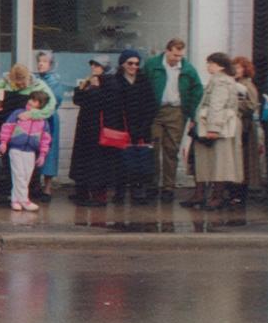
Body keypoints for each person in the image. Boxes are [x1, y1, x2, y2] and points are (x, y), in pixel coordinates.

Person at [145, 37, 202, 201]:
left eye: (180, 55)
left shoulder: (188, 68)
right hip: (155, 110)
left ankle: (168, 187)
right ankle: (152, 185)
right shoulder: (153, 64)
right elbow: (143, 85)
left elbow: (197, 90)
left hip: (176, 111)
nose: (178, 59)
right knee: (153, 148)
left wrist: (190, 113)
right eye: (175, 55)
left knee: (171, 149)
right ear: (167, 50)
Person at [0, 63, 54, 202]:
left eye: (22, 83)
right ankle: (12, 193)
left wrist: (33, 114)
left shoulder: (38, 85)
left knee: (30, 164)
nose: (19, 86)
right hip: (7, 127)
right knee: (8, 162)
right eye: (15, 83)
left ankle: (29, 193)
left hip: (30, 132)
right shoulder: (2, 83)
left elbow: (51, 105)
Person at [102, 48, 158, 204]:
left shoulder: (144, 81)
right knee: (120, 160)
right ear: (122, 64)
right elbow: (110, 106)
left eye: (137, 63)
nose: (134, 66)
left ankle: (138, 190)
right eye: (130, 63)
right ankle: (119, 191)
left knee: (139, 159)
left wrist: (143, 126)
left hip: (141, 127)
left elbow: (151, 105)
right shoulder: (115, 81)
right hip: (122, 128)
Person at [191, 52, 245, 211]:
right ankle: (213, 196)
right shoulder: (222, 80)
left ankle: (217, 197)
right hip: (221, 127)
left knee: (219, 163)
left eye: (211, 63)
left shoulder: (221, 81)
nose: (208, 66)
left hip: (218, 129)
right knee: (216, 163)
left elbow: (217, 105)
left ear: (220, 65)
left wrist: (213, 129)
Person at [68, 60, 115, 205]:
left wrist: (93, 89)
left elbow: (100, 101)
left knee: (97, 161)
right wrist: (84, 88)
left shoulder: (110, 82)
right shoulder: (90, 81)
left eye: (97, 65)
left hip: (99, 128)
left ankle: (98, 196)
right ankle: (82, 192)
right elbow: (78, 100)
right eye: (92, 65)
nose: (93, 68)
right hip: (86, 126)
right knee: (82, 159)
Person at [0, 91, 52, 213]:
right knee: (19, 174)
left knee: (26, 175)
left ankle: (15, 200)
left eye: (34, 100)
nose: (30, 101)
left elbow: (46, 138)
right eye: (31, 99)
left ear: (40, 104)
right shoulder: (18, 113)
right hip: (16, 148)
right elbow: (7, 127)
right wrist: (4, 142)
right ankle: (25, 200)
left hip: (31, 150)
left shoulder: (42, 120)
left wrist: (43, 154)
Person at [229, 56, 263, 205]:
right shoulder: (233, 84)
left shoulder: (247, 85)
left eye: (238, 68)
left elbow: (251, 105)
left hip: (245, 127)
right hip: (234, 126)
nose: (235, 70)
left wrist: (234, 104)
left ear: (245, 70)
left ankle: (239, 194)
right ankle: (232, 193)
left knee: (243, 161)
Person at [32, 50, 63, 201]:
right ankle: (35, 184)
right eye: (39, 61)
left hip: (49, 120)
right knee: (34, 151)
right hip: (34, 119)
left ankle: (48, 187)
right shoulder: (33, 79)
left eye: (44, 61)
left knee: (49, 152)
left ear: (50, 64)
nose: (40, 64)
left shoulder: (55, 81)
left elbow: (55, 100)